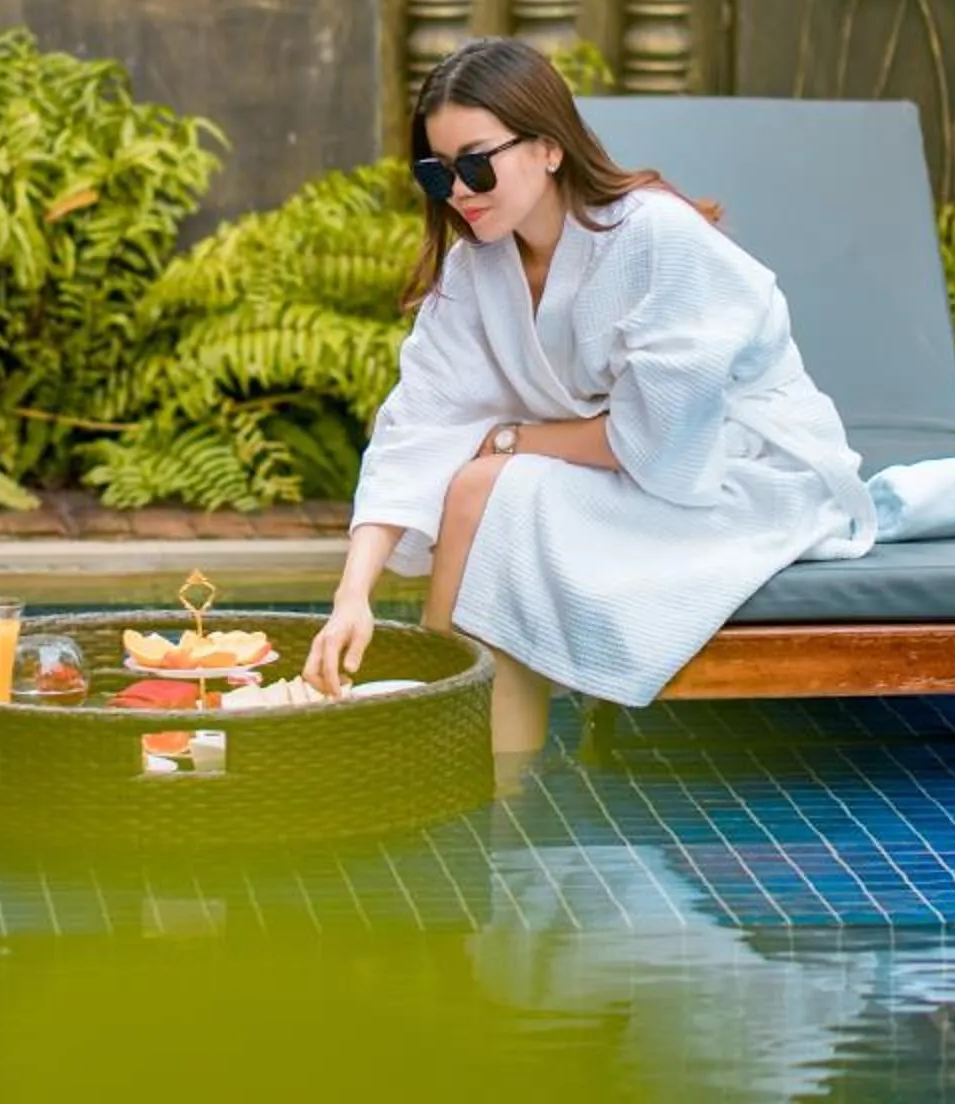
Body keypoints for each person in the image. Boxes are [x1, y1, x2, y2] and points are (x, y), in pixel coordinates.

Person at [301, 38, 876, 776]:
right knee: (482, 490)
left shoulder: (655, 238)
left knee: (486, 485)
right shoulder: (477, 262)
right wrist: (354, 596)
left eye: (476, 162)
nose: (458, 189)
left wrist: (510, 438)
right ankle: (466, 762)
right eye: (435, 171)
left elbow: (662, 443)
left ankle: (437, 750)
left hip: (735, 473)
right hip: (619, 469)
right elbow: (419, 424)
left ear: (547, 148)